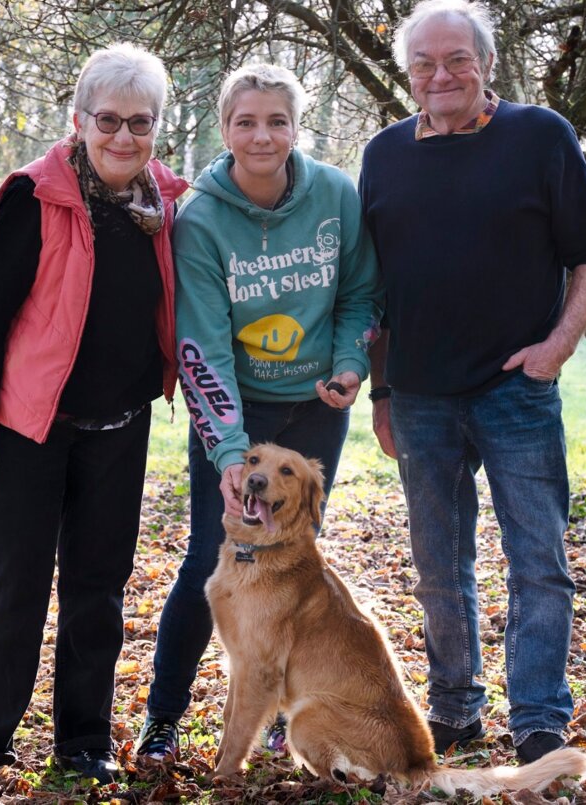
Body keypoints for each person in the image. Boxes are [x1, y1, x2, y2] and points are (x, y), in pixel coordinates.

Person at [359, 0, 586, 764]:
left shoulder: (540, 136)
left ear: (486, 65)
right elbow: (374, 288)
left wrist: (558, 347)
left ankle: (538, 717)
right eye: (425, 65)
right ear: (408, 75)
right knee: (440, 569)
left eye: (457, 60)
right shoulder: (384, 153)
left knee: (538, 560)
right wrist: (380, 393)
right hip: (419, 396)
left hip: (517, 390)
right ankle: (456, 709)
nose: (442, 76)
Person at [0, 43, 188, 793]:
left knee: (97, 589)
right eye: (108, 120)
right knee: (13, 587)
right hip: (25, 428)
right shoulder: (39, 195)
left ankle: (84, 740)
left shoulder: (167, 205)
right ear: (80, 120)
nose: (124, 136)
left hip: (119, 426)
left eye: (140, 122)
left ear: (157, 128)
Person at [137, 63, 382, 760]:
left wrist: (349, 363)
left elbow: (361, 294)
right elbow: (201, 345)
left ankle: (281, 713)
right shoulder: (203, 218)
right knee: (209, 561)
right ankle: (164, 716)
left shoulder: (336, 195)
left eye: (277, 120)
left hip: (313, 411)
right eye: (246, 121)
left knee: (294, 565)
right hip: (236, 411)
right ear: (225, 129)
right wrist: (228, 454)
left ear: (296, 128)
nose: (262, 135)